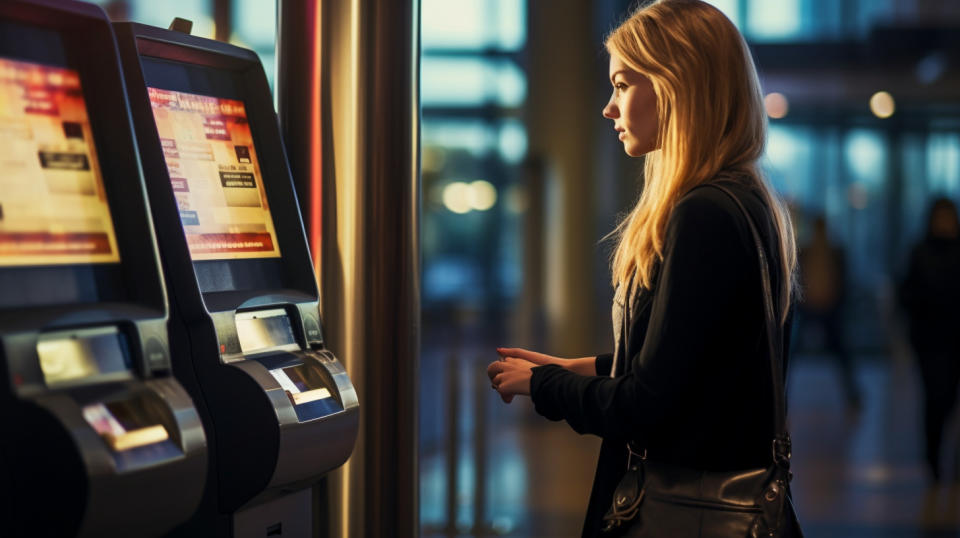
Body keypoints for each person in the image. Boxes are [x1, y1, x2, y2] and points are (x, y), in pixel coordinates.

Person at [486, 1, 799, 536]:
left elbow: (648, 407)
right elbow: (693, 368)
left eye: (623, 84)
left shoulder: (703, 213)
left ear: (678, 87)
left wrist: (546, 387)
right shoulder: (745, 201)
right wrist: (578, 366)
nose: (609, 108)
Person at [900, 197, 960, 483]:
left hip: (953, 339)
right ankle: (933, 461)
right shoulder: (920, 252)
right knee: (936, 402)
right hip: (931, 341)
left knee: (949, 402)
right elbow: (908, 294)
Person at [796, 215, 861, 410]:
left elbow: (842, 283)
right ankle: (780, 397)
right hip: (812, 308)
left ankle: (853, 395)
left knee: (841, 354)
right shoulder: (809, 251)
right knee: (792, 353)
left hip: (826, 308)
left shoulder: (832, 252)